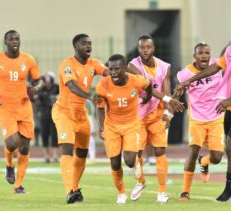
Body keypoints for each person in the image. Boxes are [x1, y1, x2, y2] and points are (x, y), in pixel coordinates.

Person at [178, 16, 231, 201]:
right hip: (230, 106)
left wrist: (229, 99)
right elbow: (215, 68)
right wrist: (189, 81)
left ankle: (228, 187)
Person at [0, 30, 43, 193]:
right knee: (12, 142)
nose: (15, 41)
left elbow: (39, 80)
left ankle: (18, 185)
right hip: (5, 107)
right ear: (6, 42)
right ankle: (9, 165)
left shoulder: (28, 59)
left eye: (17, 39)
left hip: (24, 106)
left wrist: (36, 88)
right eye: (11, 39)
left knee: (24, 147)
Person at [51, 33, 108, 204]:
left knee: (82, 152)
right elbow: (72, 86)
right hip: (64, 112)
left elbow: (109, 73)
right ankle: (69, 190)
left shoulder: (94, 64)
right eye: (84, 44)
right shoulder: (66, 64)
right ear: (75, 47)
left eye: (90, 44)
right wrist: (91, 96)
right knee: (67, 149)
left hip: (81, 114)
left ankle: (75, 188)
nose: (88, 47)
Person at [127, 34, 183, 203]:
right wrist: (168, 100)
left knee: (160, 151)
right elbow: (147, 85)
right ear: (138, 49)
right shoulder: (132, 65)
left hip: (157, 114)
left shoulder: (165, 67)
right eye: (142, 47)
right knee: (136, 153)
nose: (145, 50)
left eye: (148, 47)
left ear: (153, 48)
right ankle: (140, 181)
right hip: (138, 114)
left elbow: (166, 91)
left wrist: (168, 114)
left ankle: (162, 191)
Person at [95, 54, 152, 204]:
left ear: (125, 68)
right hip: (111, 126)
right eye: (111, 68)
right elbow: (100, 108)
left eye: (117, 69)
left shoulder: (135, 81)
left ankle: (140, 180)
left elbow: (149, 84)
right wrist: (101, 127)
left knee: (129, 160)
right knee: (114, 162)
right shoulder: (103, 84)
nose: (113, 72)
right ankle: (121, 192)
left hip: (131, 125)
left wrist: (147, 98)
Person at [174, 42, 224, 201]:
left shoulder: (218, 65)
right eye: (201, 53)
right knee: (193, 150)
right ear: (194, 56)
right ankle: (185, 192)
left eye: (207, 53)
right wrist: (175, 98)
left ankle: (204, 161)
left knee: (217, 158)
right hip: (197, 119)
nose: (204, 56)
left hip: (216, 117)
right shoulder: (184, 74)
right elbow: (177, 92)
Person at [37, 72, 59, 163]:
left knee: (55, 134)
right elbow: (37, 100)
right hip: (44, 113)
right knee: (44, 133)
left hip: (55, 113)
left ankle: (55, 155)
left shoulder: (57, 88)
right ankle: (46, 155)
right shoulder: (41, 89)